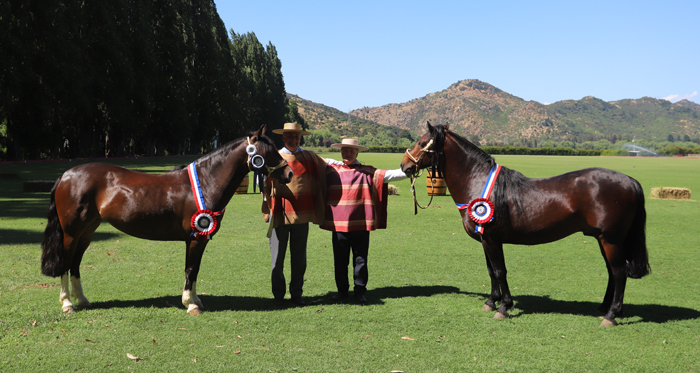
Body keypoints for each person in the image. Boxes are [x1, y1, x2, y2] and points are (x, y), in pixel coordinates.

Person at [320, 138, 408, 304]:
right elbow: (311, 159)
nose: (347, 153)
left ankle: (360, 291)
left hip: (361, 223)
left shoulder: (368, 171)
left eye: (350, 150)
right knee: (340, 260)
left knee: (360, 259)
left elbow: (390, 175)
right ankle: (342, 291)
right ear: (340, 152)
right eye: (344, 150)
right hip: (339, 225)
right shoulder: (332, 169)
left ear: (357, 152)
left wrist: (411, 169)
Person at [263, 122, 330, 306]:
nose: (293, 139)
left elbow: (328, 165)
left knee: (299, 258)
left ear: (300, 137)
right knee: (277, 259)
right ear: (283, 137)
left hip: (302, 216)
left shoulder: (309, 157)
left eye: (296, 136)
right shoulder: (275, 156)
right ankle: (278, 295)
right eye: (290, 136)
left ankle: (296, 293)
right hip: (280, 214)